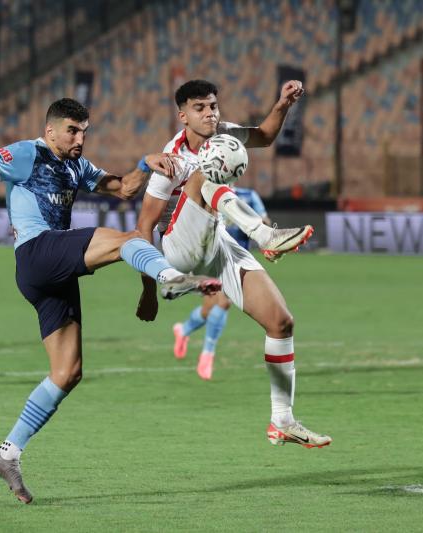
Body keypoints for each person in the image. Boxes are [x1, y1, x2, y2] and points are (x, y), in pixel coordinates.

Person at [0, 98, 220, 504]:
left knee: (67, 372)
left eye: (84, 131)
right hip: (37, 251)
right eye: (72, 131)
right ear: (50, 130)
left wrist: (145, 164)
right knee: (128, 239)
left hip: (53, 275)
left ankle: (7, 453)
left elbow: (124, 188)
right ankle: (170, 278)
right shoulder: (28, 153)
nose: (80, 139)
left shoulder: (77, 166)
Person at [135, 80, 331, 449]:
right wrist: (150, 287)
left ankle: (283, 421)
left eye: (212, 106)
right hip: (178, 248)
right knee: (204, 173)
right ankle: (265, 235)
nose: (209, 113)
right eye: (199, 108)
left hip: (216, 241)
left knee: (281, 322)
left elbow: (265, 136)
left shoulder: (224, 133)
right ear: (183, 116)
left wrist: (282, 104)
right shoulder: (171, 157)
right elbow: (144, 226)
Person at [172, 185, 271, 380]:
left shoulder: (249, 196)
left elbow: (264, 221)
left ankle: (183, 330)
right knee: (222, 303)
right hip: (209, 257)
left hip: (236, 260)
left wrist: (259, 225)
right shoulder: (207, 191)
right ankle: (207, 354)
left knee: (210, 308)